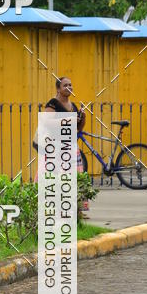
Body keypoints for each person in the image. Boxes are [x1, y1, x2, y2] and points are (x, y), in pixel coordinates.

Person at [41, 76, 88, 212]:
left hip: (71, 147)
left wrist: (82, 118)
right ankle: (52, 208)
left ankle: (77, 210)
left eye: (70, 85)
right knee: (55, 177)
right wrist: (68, 120)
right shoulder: (53, 103)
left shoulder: (73, 106)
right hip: (56, 147)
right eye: (65, 85)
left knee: (75, 177)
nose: (69, 87)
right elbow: (47, 122)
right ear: (58, 89)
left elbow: (78, 129)